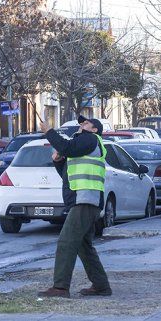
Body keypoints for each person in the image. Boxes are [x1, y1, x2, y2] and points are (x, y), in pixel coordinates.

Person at [37, 115, 112, 299]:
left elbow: (66, 147)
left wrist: (49, 132)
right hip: (85, 200)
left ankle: (60, 288)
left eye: (86, 123)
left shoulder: (90, 139)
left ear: (95, 129)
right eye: (81, 123)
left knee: (66, 241)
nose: (82, 124)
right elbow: (68, 176)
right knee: (83, 246)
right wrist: (58, 161)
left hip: (86, 200)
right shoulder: (82, 145)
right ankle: (101, 286)